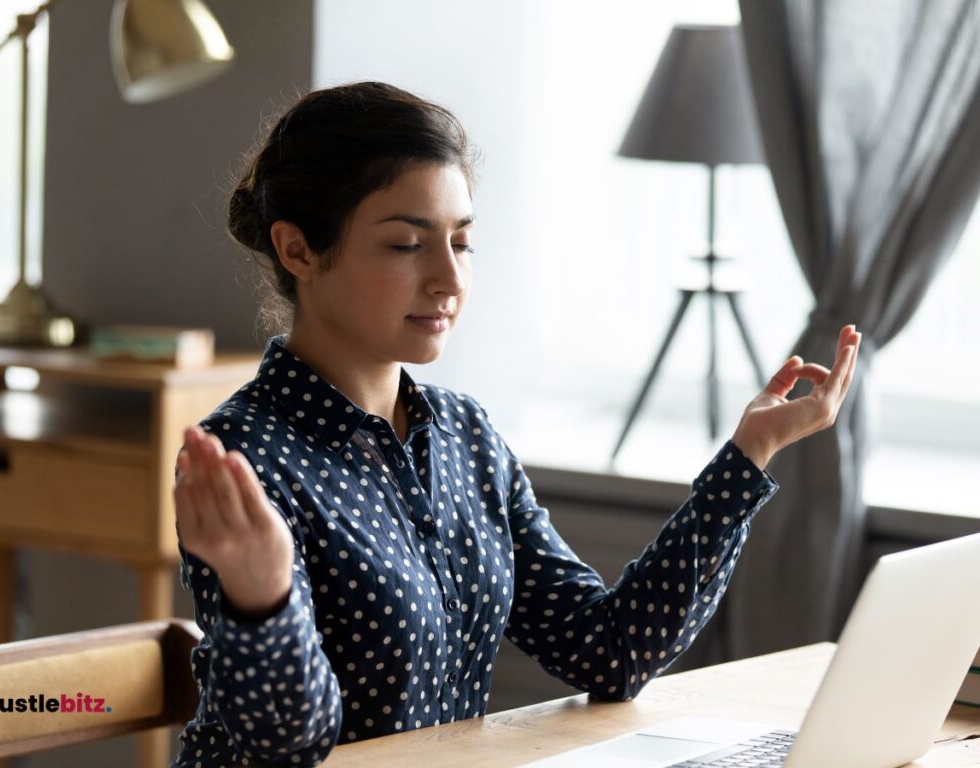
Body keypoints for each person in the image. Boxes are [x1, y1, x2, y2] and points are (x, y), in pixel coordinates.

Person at [169, 81, 862, 767]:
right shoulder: (246, 458)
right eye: (408, 245)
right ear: (298, 251)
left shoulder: (464, 436)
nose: (449, 278)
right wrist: (265, 600)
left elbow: (609, 650)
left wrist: (749, 455)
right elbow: (290, 750)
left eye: (462, 242)